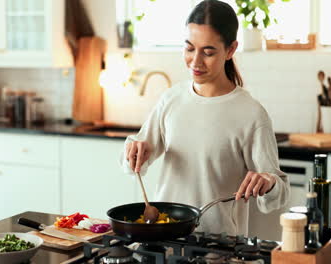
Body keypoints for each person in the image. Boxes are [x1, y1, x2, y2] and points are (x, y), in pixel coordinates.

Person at [120, 0, 289, 236]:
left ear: (230, 50)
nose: (196, 61)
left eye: (208, 52)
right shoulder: (171, 99)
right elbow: (134, 161)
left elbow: (279, 190)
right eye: (189, 49)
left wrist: (268, 182)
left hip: (219, 246)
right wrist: (134, 150)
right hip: (164, 236)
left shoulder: (251, 114)